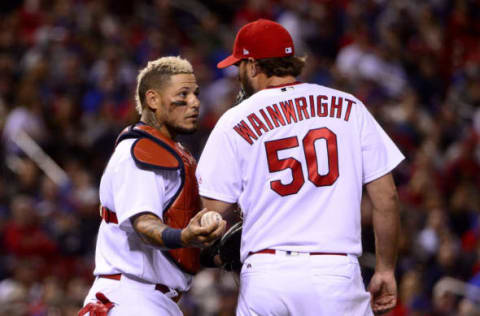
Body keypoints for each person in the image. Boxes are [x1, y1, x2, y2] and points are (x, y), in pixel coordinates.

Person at [196, 19, 404, 315]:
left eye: (239, 66)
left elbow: (213, 208)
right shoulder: (349, 106)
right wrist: (385, 269)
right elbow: (387, 198)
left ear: (253, 66)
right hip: (335, 271)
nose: (239, 73)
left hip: (267, 272)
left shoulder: (235, 119)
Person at [80, 56, 226, 316]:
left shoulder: (175, 152)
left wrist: (216, 252)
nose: (194, 102)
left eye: (196, 94)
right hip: (132, 297)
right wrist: (185, 237)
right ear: (153, 99)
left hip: (152, 299)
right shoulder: (141, 152)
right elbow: (144, 225)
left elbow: (177, 244)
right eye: (183, 94)